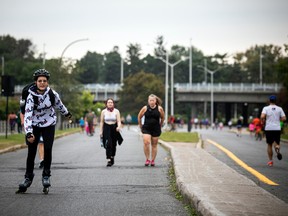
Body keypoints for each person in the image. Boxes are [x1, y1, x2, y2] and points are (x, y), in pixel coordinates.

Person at [17, 69, 72, 193]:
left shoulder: (53, 94)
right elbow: (28, 115)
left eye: (44, 81)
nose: (42, 83)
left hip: (49, 123)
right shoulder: (30, 96)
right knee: (31, 152)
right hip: (34, 125)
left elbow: (59, 105)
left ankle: (46, 175)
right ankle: (28, 177)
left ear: (47, 82)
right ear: (35, 82)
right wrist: (29, 132)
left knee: (47, 149)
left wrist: (67, 114)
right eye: (39, 81)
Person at [137, 94, 165, 167]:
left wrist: (160, 125)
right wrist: (140, 125)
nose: (151, 102)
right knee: (146, 142)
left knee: (154, 144)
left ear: (155, 101)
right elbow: (139, 117)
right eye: (150, 100)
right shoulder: (145, 108)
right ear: (148, 101)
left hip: (156, 128)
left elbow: (162, 118)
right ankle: (147, 159)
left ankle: (152, 160)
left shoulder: (159, 109)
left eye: (153, 100)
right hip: (146, 127)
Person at [261, 95, 286, 167]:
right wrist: (279, 120)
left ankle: (270, 161)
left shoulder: (266, 108)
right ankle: (277, 148)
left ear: (269, 101)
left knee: (269, 144)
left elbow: (262, 116)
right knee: (276, 142)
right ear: (275, 101)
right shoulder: (279, 109)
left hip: (268, 128)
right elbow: (284, 118)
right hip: (277, 128)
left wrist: (263, 120)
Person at [99, 98, 123, 167]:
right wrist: (100, 131)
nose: (110, 103)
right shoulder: (103, 112)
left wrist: (118, 127)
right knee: (108, 143)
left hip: (114, 128)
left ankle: (112, 156)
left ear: (113, 104)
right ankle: (108, 159)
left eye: (111, 102)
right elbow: (101, 122)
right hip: (106, 128)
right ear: (106, 104)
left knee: (114, 144)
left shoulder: (116, 111)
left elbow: (118, 121)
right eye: (108, 102)